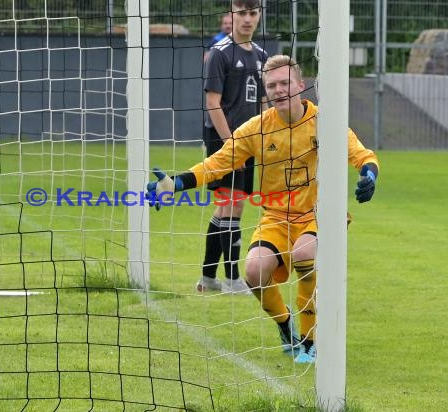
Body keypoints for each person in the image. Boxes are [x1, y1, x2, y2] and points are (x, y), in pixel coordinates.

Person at [146, 54, 380, 364]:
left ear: (300, 85)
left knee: (303, 254)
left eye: (285, 83)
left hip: (318, 214)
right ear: (266, 91)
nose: (280, 90)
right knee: (254, 272)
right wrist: (174, 184)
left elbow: (362, 155)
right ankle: (286, 327)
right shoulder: (256, 128)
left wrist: (369, 175)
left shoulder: (326, 121)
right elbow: (218, 163)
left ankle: (312, 342)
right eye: (272, 85)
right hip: (276, 217)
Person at [197, 0, 268, 294]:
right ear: (232, 14)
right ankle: (232, 279)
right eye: (242, 13)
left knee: (228, 206)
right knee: (233, 204)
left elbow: (263, 103)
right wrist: (232, 145)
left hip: (249, 142)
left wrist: (264, 140)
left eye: (253, 13)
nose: (248, 19)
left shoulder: (262, 56)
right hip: (223, 139)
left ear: (259, 15)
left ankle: (208, 279)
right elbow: (212, 103)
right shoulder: (220, 53)